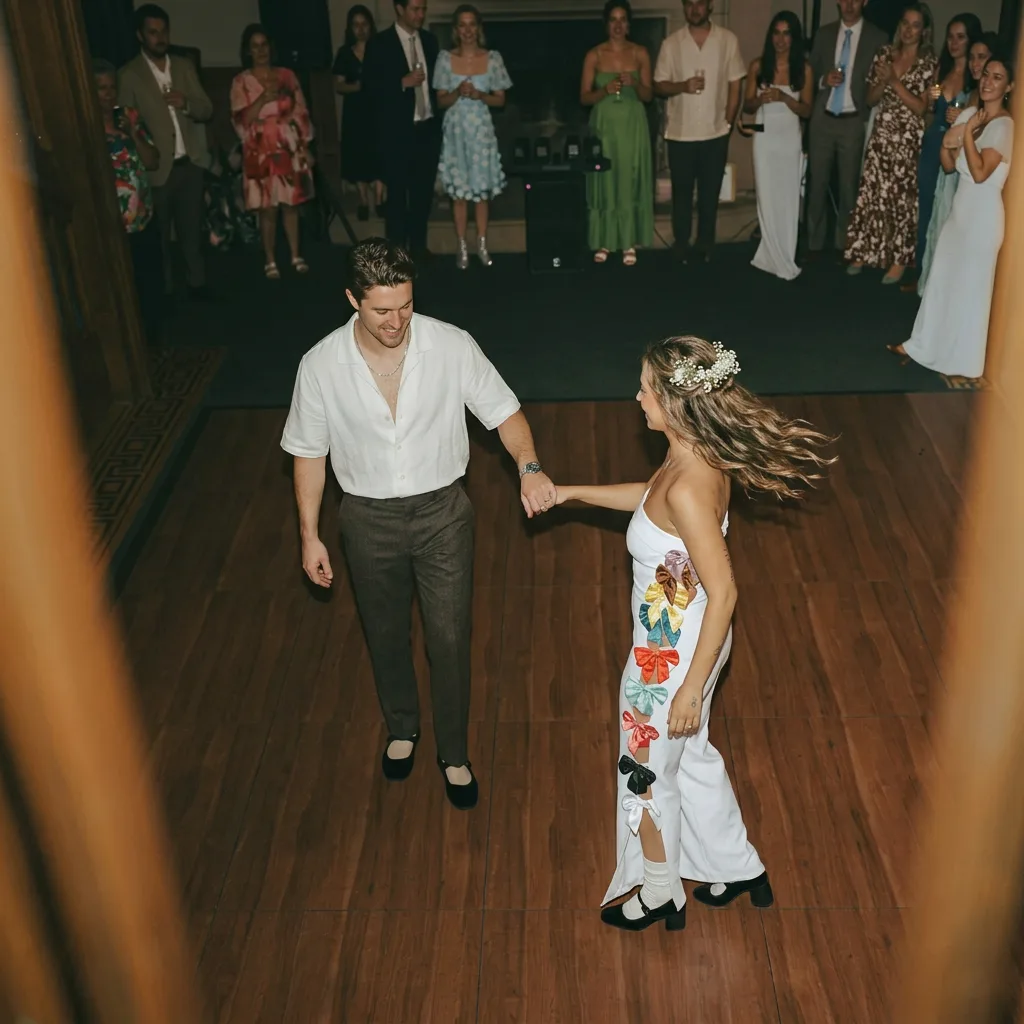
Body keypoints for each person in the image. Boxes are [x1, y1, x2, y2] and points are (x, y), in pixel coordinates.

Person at [553, 337, 833, 931]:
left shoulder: (686, 480)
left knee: (645, 774)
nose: (637, 397)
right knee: (692, 756)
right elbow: (651, 505)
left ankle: (659, 893)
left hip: (668, 662)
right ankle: (737, 866)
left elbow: (726, 590)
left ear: (677, 404)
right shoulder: (696, 458)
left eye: (646, 390)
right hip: (691, 644)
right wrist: (571, 492)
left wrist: (687, 687)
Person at [280, 238, 557, 809]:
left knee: (450, 637)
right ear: (352, 298)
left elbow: (505, 412)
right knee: (384, 635)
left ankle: (453, 752)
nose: (397, 320)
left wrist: (529, 468)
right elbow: (308, 452)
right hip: (365, 518)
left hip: (442, 515)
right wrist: (310, 535)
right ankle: (403, 727)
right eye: (382, 309)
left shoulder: (451, 345)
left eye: (405, 305)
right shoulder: (319, 364)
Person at [893, 55, 1014, 379]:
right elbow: (948, 158)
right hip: (960, 212)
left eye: (997, 77)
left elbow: (977, 171)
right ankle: (920, 345)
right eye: (986, 74)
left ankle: (964, 361)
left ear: (1009, 86)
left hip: (983, 218)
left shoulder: (1004, 125)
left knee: (971, 290)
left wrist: (968, 135)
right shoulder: (974, 113)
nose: (987, 81)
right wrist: (959, 138)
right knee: (941, 281)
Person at [118, 3, 213, 300]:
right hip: (156, 169)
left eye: (164, 31)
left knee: (191, 233)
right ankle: (165, 292)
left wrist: (186, 103)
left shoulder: (184, 66)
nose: (160, 37)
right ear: (140, 35)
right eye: (153, 32)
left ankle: (198, 286)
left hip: (190, 164)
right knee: (159, 238)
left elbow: (207, 109)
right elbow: (125, 121)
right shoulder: (129, 74)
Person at [844, 4, 937, 284]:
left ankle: (898, 259)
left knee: (901, 198)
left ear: (924, 31)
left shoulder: (929, 62)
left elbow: (922, 108)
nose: (908, 30)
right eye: (905, 23)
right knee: (872, 192)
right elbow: (870, 99)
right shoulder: (884, 54)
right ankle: (864, 250)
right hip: (882, 133)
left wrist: (894, 81)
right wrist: (882, 82)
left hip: (908, 138)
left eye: (915, 25)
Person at [653, 0, 746, 264]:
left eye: (700, 4)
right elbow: (659, 86)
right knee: (681, 196)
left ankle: (705, 245)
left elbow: (736, 85)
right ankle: (681, 244)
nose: (695, 9)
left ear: (710, 7)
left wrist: (727, 124)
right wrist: (683, 85)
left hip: (715, 134)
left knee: (708, 196)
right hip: (680, 134)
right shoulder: (671, 44)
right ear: (684, 8)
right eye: (689, 4)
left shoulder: (727, 40)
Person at [900, 13, 980, 292]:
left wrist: (962, 117)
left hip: (956, 148)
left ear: (971, 40)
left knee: (948, 211)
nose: (954, 43)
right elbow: (927, 113)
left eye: (961, 37)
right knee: (925, 210)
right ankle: (922, 273)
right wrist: (931, 104)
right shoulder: (941, 71)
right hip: (933, 142)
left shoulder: (977, 76)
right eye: (950, 37)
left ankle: (943, 279)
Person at [230, 24, 315, 280]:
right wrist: (262, 100)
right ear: (248, 50)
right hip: (260, 152)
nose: (261, 51)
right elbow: (240, 120)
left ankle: (295, 255)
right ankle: (269, 259)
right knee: (268, 208)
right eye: (255, 46)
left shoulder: (287, 75)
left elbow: (301, 112)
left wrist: (303, 146)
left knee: (291, 205)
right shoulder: (241, 82)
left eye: (264, 44)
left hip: (288, 149)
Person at [806, 0, 888, 261]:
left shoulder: (879, 37)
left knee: (849, 187)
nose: (849, 4)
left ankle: (846, 244)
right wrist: (823, 79)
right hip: (823, 118)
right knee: (816, 185)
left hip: (854, 119)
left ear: (864, 2)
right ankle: (813, 243)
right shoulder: (824, 33)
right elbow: (810, 71)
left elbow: (880, 79)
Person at [918, 31, 996, 295]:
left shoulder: (989, 105)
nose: (976, 64)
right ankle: (931, 285)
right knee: (936, 222)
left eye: (981, 58)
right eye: (972, 57)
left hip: (971, 177)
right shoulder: (972, 93)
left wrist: (961, 125)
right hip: (950, 162)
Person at [433, 4, 512, 269]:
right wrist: (456, 92)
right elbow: (440, 101)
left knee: (480, 193)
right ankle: (461, 246)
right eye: (462, 25)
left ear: (479, 28)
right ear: (456, 30)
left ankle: (481, 243)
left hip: (481, 131)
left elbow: (500, 100)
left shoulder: (493, 58)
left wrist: (480, 95)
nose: (467, 30)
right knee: (459, 194)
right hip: (456, 132)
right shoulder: (445, 59)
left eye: (472, 25)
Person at [362, 1, 441, 260]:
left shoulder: (430, 41)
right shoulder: (380, 44)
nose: (420, 15)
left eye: (423, 9)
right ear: (399, 8)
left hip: (426, 130)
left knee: (422, 193)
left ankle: (418, 246)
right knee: (397, 195)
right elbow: (369, 91)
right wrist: (401, 83)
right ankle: (396, 253)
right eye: (415, 9)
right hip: (397, 133)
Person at [94, 58, 164, 346]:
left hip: (142, 216)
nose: (108, 94)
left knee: (149, 283)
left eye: (112, 87)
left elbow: (152, 161)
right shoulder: (85, 125)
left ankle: (153, 339)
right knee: (123, 287)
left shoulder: (130, 117)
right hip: (111, 223)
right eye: (101, 88)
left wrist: (133, 134)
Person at [580, 1, 654, 267]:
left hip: (633, 125)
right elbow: (584, 97)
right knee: (606, 179)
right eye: (613, 19)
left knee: (629, 176)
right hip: (604, 126)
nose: (618, 25)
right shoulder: (594, 55)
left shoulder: (640, 53)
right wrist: (605, 90)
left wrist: (636, 84)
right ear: (606, 24)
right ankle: (604, 239)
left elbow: (649, 95)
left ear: (629, 24)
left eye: (623, 19)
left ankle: (628, 240)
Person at [744, 12, 812, 280]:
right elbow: (747, 104)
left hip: (789, 137)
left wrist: (784, 97)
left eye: (786, 34)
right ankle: (770, 253)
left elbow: (806, 110)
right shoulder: (758, 66)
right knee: (767, 195)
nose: (780, 40)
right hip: (764, 136)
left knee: (787, 196)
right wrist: (761, 99)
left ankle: (785, 253)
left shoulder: (804, 69)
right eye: (776, 33)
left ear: (793, 38)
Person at [333, 5, 385, 221]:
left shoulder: (381, 49)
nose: (360, 29)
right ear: (350, 28)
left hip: (378, 110)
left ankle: (381, 200)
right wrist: (359, 87)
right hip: (355, 113)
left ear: (370, 26)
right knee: (358, 155)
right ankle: (363, 200)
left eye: (364, 24)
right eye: (356, 25)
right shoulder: (345, 53)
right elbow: (339, 85)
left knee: (380, 153)